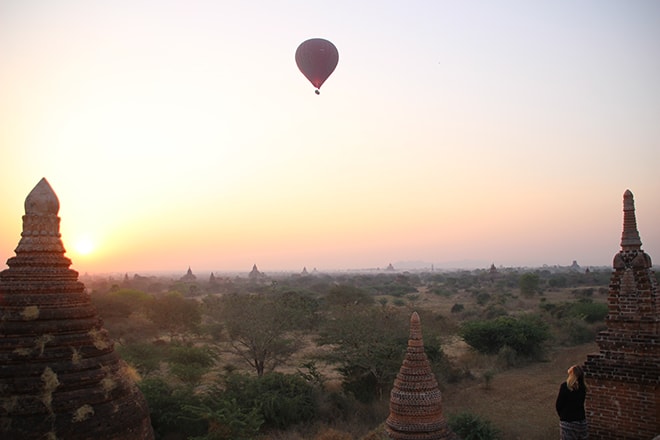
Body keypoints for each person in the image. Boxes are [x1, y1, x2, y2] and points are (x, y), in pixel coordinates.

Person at [555, 365, 588, 440]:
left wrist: (563, 416)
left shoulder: (565, 387)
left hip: (568, 422)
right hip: (581, 421)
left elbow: (558, 405)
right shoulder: (583, 388)